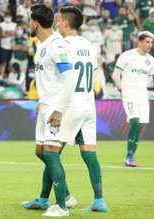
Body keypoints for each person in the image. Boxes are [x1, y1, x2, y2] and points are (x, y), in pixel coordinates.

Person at [21, 4, 76, 217]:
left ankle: (62, 206)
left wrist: (59, 109)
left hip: (56, 108)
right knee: (41, 152)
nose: (28, 24)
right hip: (46, 105)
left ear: (35, 22)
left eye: (29, 20)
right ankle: (66, 195)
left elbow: (69, 77)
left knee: (51, 155)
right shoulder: (42, 45)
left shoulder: (56, 45)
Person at [55, 6, 108, 212]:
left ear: (66, 23)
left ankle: (63, 197)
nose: (57, 23)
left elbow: (61, 77)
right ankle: (99, 200)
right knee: (89, 154)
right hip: (89, 105)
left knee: (50, 153)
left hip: (70, 105)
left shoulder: (62, 45)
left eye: (59, 20)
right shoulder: (89, 44)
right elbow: (94, 73)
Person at [112, 31, 154, 167]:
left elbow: (150, 80)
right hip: (129, 93)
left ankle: (131, 157)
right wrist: (121, 89)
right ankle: (129, 156)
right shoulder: (127, 56)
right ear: (139, 42)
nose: (150, 45)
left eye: (151, 42)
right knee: (134, 122)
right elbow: (115, 75)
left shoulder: (151, 60)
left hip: (143, 95)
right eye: (147, 42)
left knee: (141, 125)